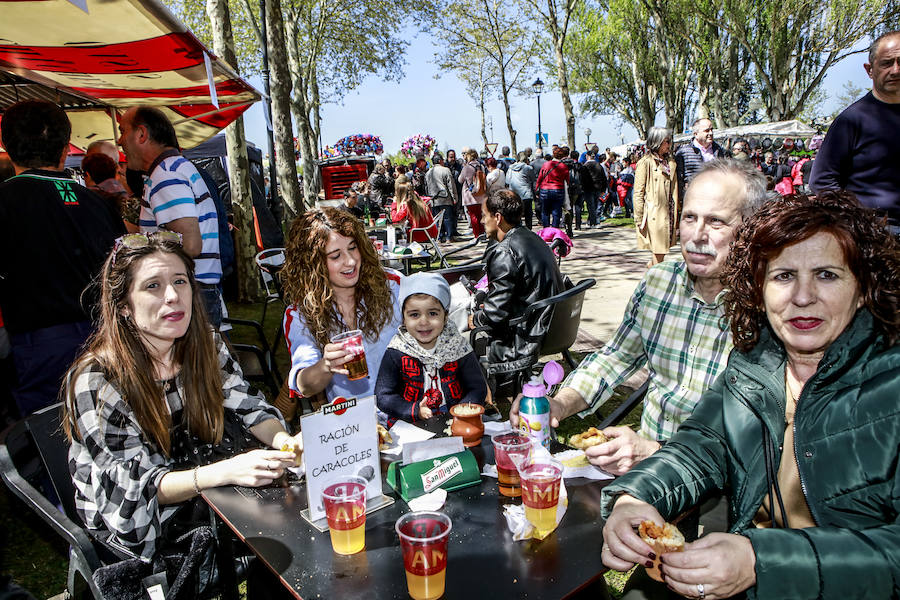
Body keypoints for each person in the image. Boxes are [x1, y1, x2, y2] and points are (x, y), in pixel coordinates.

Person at [600, 191, 900, 600]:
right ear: (758, 290)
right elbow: (701, 446)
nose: (802, 296)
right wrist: (633, 497)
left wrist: (762, 561)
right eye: (783, 276)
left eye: (827, 274)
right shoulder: (756, 362)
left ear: (864, 288)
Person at [63, 232, 301, 587]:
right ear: (124, 305)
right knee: (277, 532)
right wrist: (226, 471)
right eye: (153, 286)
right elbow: (134, 490)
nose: (173, 296)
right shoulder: (97, 380)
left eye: (180, 281)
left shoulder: (202, 341)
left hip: (197, 473)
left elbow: (248, 406)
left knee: (292, 530)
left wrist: (286, 442)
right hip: (137, 519)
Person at [511, 159, 766, 476]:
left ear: (750, 230)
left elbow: (761, 440)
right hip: (649, 477)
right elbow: (615, 358)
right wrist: (559, 404)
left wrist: (656, 452)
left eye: (716, 222)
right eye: (689, 217)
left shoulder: (769, 307)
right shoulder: (659, 282)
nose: (697, 235)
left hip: (724, 486)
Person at [0, 100, 124, 417]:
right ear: (64, 149)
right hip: (105, 336)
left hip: (38, 347)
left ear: (6, 144)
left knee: (51, 437)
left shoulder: (6, 199)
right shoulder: (98, 203)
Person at [117, 107, 225, 328]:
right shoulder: (174, 168)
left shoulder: (167, 174)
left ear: (141, 134)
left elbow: (190, 244)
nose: (119, 141)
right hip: (194, 290)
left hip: (188, 293)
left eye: (122, 131)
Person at [282, 208, 402, 401]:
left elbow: (434, 297)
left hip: (409, 412)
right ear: (313, 264)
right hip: (353, 421)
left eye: (353, 248)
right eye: (335, 256)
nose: (351, 261)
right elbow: (304, 385)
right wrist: (326, 365)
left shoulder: (392, 286)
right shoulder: (301, 314)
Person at [470, 189, 564, 384]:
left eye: (483, 215)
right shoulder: (532, 238)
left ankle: (482, 398)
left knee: (458, 332)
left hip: (527, 334)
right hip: (551, 325)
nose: (481, 221)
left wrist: (477, 317)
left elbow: (496, 315)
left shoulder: (505, 251)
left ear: (497, 217)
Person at [810, 31, 900, 233]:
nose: (895, 70)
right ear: (870, 70)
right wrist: (857, 223)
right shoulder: (851, 120)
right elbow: (822, 182)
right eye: (887, 63)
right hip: (875, 233)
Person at [376, 273, 487, 424]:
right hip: (409, 422)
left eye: (433, 313)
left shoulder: (457, 347)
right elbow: (384, 396)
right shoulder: (397, 351)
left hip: (454, 418)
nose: (424, 322)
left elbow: (477, 387)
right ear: (403, 318)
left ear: (445, 315)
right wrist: (413, 410)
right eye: (414, 315)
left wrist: (462, 411)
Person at [634, 127, 679, 266]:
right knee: (659, 251)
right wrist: (639, 218)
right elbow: (638, 192)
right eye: (666, 141)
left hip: (669, 211)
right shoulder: (645, 162)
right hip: (654, 213)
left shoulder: (670, 162)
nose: (669, 145)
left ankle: (651, 273)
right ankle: (654, 280)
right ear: (657, 142)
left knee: (662, 251)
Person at [674, 118, 727, 201]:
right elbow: (678, 180)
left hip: (716, 200)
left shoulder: (720, 152)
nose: (711, 133)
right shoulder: (683, 153)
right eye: (707, 130)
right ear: (696, 134)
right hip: (693, 200)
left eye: (712, 130)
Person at [390, 175, 438, 242]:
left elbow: (395, 219)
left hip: (418, 234)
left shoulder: (407, 204)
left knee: (396, 236)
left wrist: (394, 204)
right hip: (430, 232)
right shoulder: (418, 200)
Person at [425, 153, 459, 243]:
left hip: (433, 199)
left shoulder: (428, 172)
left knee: (437, 219)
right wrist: (454, 197)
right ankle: (449, 237)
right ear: (440, 161)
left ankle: (440, 237)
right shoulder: (446, 170)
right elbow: (451, 184)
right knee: (447, 218)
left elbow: (426, 187)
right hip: (445, 198)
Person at [536, 146, 570, 227]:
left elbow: (540, 178)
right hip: (558, 190)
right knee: (556, 212)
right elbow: (567, 180)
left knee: (545, 211)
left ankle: (546, 230)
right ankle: (555, 230)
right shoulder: (563, 166)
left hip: (545, 190)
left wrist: (537, 189)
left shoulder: (546, 164)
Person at [459, 149, 487, 237]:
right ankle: (482, 233)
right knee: (480, 215)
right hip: (480, 194)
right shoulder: (481, 166)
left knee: (473, 216)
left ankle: (476, 235)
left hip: (470, 195)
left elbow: (460, 180)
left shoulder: (467, 167)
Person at [506, 152, 537, 228]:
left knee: (517, 215)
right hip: (526, 194)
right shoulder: (528, 168)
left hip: (514, 195)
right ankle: (529, 232)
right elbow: (533, 179)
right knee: (528, 215)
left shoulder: (510, 168)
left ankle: (519, 231)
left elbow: (507, 181)